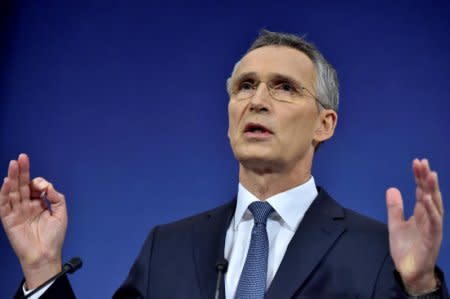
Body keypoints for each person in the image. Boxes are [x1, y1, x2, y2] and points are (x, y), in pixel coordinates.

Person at [1, 30, 448, 299]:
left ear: (324, 124)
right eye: (245, 86)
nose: (257, 101)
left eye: (284, 88)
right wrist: (42, 269)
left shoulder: (376, 251)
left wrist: (421, 289)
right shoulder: (168, 248)